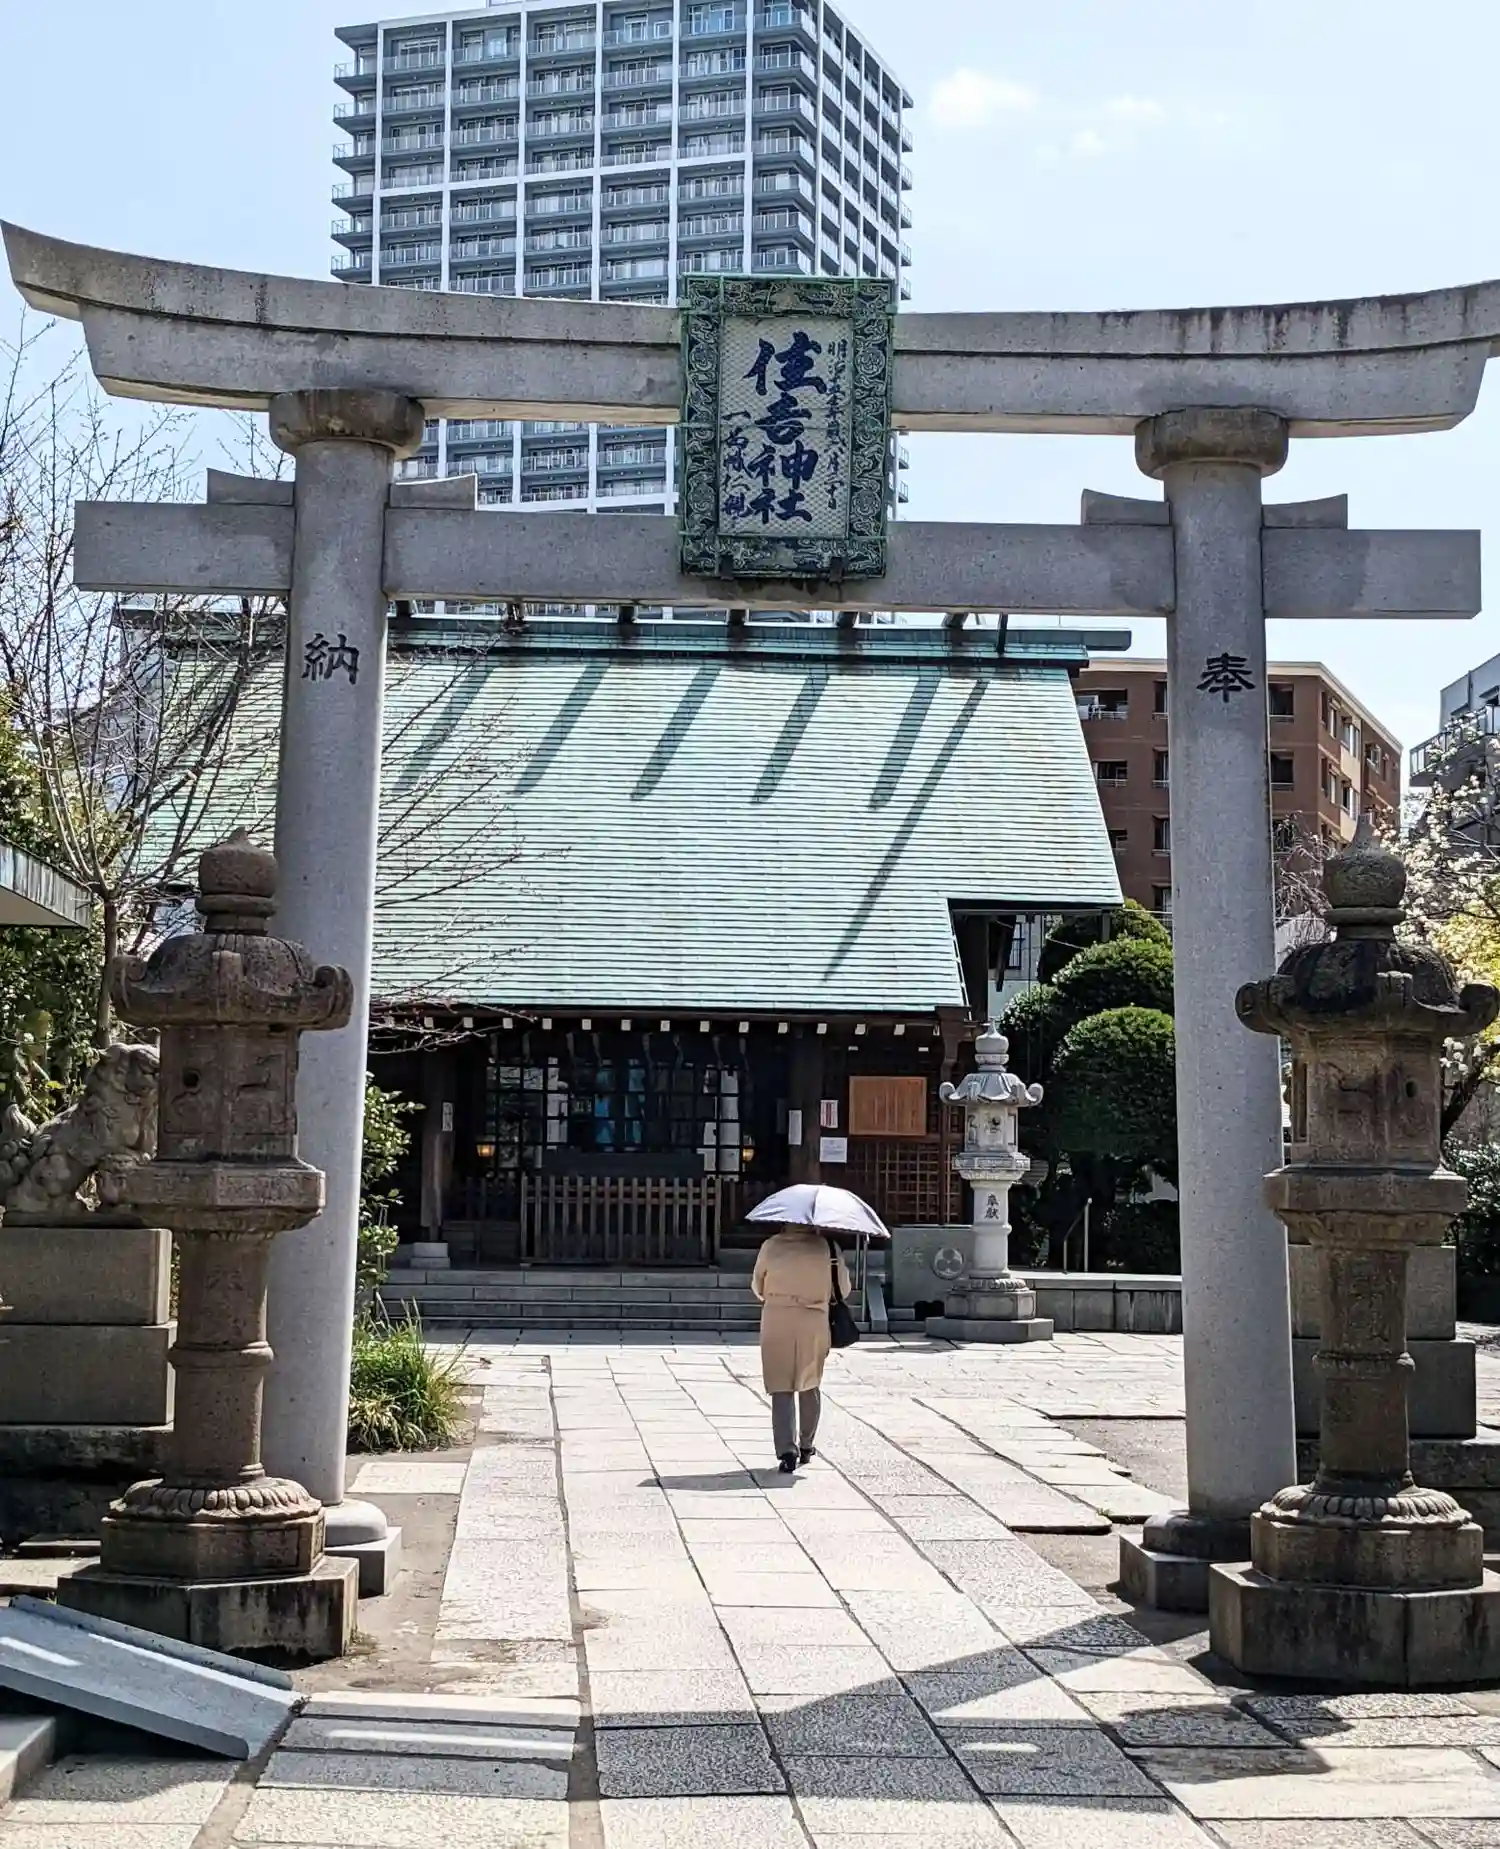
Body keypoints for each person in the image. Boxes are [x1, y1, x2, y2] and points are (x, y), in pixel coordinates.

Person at [751, 1224, 852, 1474]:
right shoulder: (828, 1248)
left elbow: (758, 1287)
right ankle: (806, 1444)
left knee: (780, 1385)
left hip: (777, 1319)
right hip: (813, 1319)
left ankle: (787, 1451)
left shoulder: (771, 1246)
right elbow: (843, 1289)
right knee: (809, 1382)